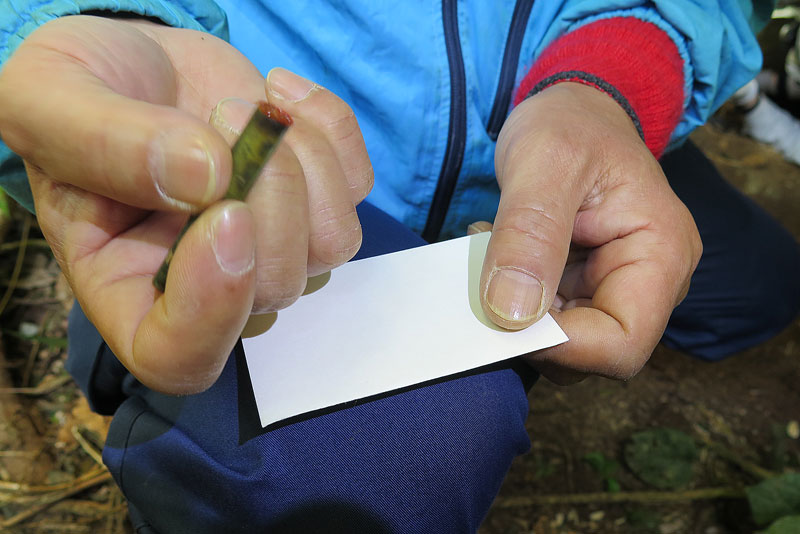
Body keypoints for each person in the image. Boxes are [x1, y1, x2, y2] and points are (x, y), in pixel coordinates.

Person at [0, 1, 797, 532]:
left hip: (548, 108)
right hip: (276, 134)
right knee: (400, 445)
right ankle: (123, 368)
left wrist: (610, 84)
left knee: (760, 289)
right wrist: (85, 23)